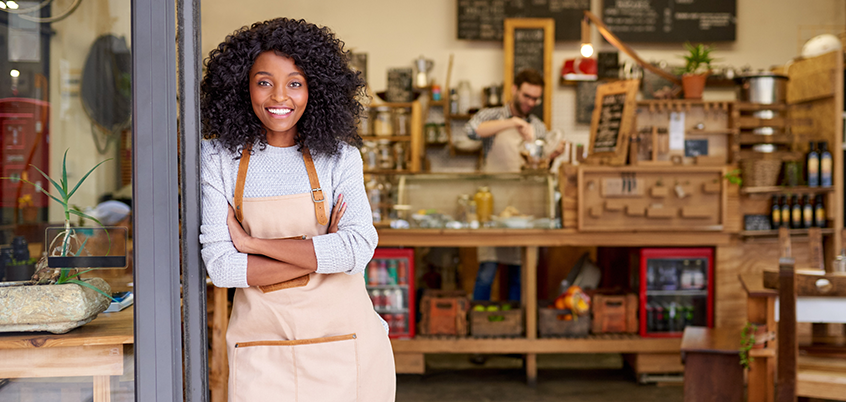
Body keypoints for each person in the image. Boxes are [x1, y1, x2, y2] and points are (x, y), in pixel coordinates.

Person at [200, 18, 395, 401]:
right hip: (261, 349)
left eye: (294, 83)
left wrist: (253, 244)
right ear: (243, 87)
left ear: (314, 89)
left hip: (346, 349)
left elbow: (357, 251)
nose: (279, 97)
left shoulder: (341, 158)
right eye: (264, 82)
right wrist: (321, 250)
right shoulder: (218, 158)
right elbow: (221, 268)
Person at [464, 68, 564, 301]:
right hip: (492, 205)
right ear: (514, 90)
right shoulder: (492, 115)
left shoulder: (538, 127)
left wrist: (553, 155)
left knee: (521, 272)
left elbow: (536, 166)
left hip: (523, 209)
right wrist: (512, 122)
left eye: (535, 98)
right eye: (526, 96)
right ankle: (480, 324)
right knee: (487, 272)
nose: (531, 102)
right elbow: (471, 130)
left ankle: (516, 325)